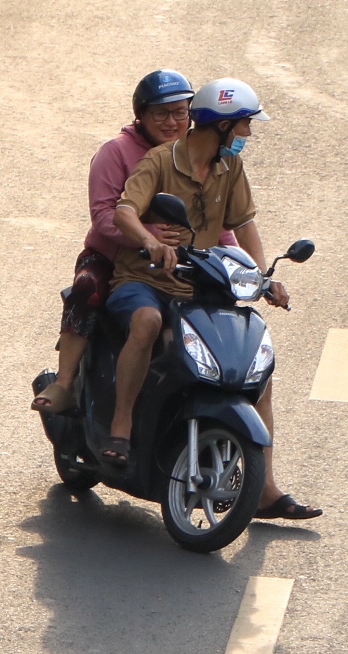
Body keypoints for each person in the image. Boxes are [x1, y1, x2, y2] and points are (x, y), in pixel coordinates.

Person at [104, 78, 321, 520]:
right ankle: (121, 427)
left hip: (200, 287)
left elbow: (244, 226)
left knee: (255, 368)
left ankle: (265, 489)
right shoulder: (160, 160)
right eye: (243, 125)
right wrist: (150, 241)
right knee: (146, 321)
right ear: (221, 126)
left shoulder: (229, 167)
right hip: (144, 279)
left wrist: (263, 278)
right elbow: (124, 211)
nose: (247, 134)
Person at [33, 70, 201, 413]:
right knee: (86, 287)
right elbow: (103, 215)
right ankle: (64, 383)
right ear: (142, 115)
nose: (171, 122)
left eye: (179, 113)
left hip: (176, 262)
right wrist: (149, 236)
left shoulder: (197, 156)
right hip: (111, 257)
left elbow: (218, 220)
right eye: (161, 113)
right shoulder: (115, 152)